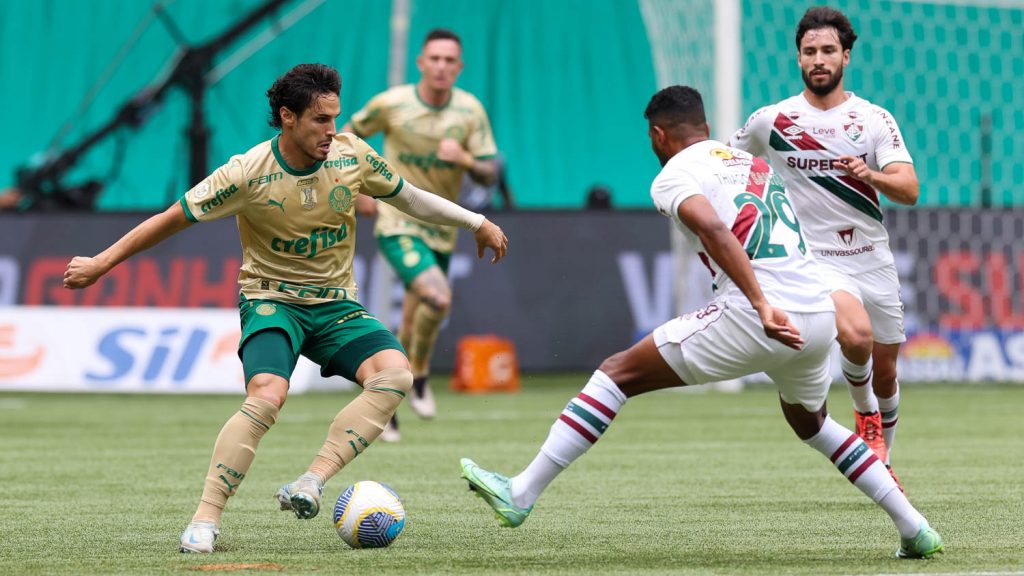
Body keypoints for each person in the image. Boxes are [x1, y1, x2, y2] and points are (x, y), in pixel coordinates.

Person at [459, 86, 942, 559]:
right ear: (708, 128)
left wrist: (759, 304)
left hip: (761, 312)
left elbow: (711, 227)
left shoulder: (674, 172)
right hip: (818, 314)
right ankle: (913, 525)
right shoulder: (752, 163)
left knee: (617, 373)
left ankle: (521, 492)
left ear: (657, 135)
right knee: (812, 423)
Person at [62, 63, 508, 554]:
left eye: (335, 118)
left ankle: (311, 482)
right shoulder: (247, 172)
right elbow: (172, 219)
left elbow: (410, 198)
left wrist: (475, 221)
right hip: (271, 300)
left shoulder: (351, 155)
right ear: (287, 117)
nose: (332, 130)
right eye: (320, 120)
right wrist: (102, 263)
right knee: (267, 395)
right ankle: (205, 520)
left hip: (336, 306)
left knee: (395, 375)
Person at [729, 7, 918, 484]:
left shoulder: (872, 118)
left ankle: (884, 462)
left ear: (846, 57)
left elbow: (909, 189)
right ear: (798, 59)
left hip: (872, 257)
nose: (819, 59)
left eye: (828, 51)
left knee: (886, 371)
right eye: (810, 51)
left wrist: (869, 174)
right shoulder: (772, 120)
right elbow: (728, 163)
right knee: (853, 337)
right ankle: (865, 416)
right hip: (814, 260)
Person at [344, 29, 498, 441]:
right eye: (435, 59)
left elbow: (490, 171)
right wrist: (358, 190)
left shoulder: (469, 112)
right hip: (397, 221)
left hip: (441, 226)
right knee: (437, 295)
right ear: (421, 63)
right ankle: (423, 376)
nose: (442, 67)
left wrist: (464, 158)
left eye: (450, 61)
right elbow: (344, 138)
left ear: (459, 67)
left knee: (414, 320)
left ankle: (397, 392)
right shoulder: (392, 104)